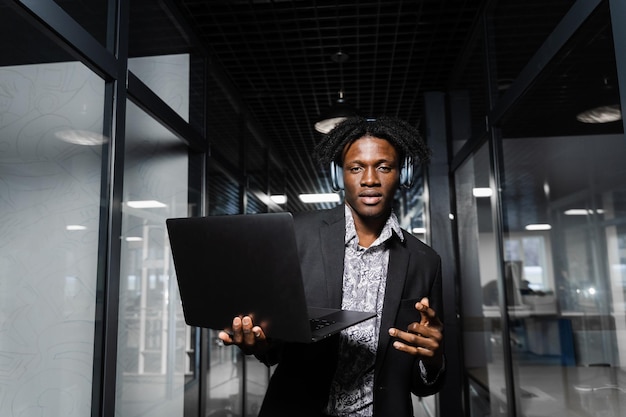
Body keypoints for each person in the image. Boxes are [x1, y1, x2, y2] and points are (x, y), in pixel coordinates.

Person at [218, 116, 445, 417]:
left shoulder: (425, 261)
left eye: (383, 166)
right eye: (356, 167)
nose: (369, 179)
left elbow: (422, 384)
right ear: (339, 177)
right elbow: (274, 349)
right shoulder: (295, 236)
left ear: (402, 174)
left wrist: (433, 359)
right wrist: (256, 342)